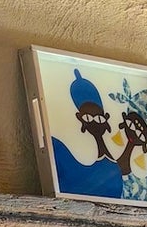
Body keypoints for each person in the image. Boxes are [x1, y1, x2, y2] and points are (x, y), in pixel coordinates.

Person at [51, 70, 125, 199]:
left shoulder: (111, 166)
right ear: (80, 119)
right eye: (88, 118)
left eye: (99, 119)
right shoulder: (64, 150)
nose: (95, 123)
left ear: (106, 118)